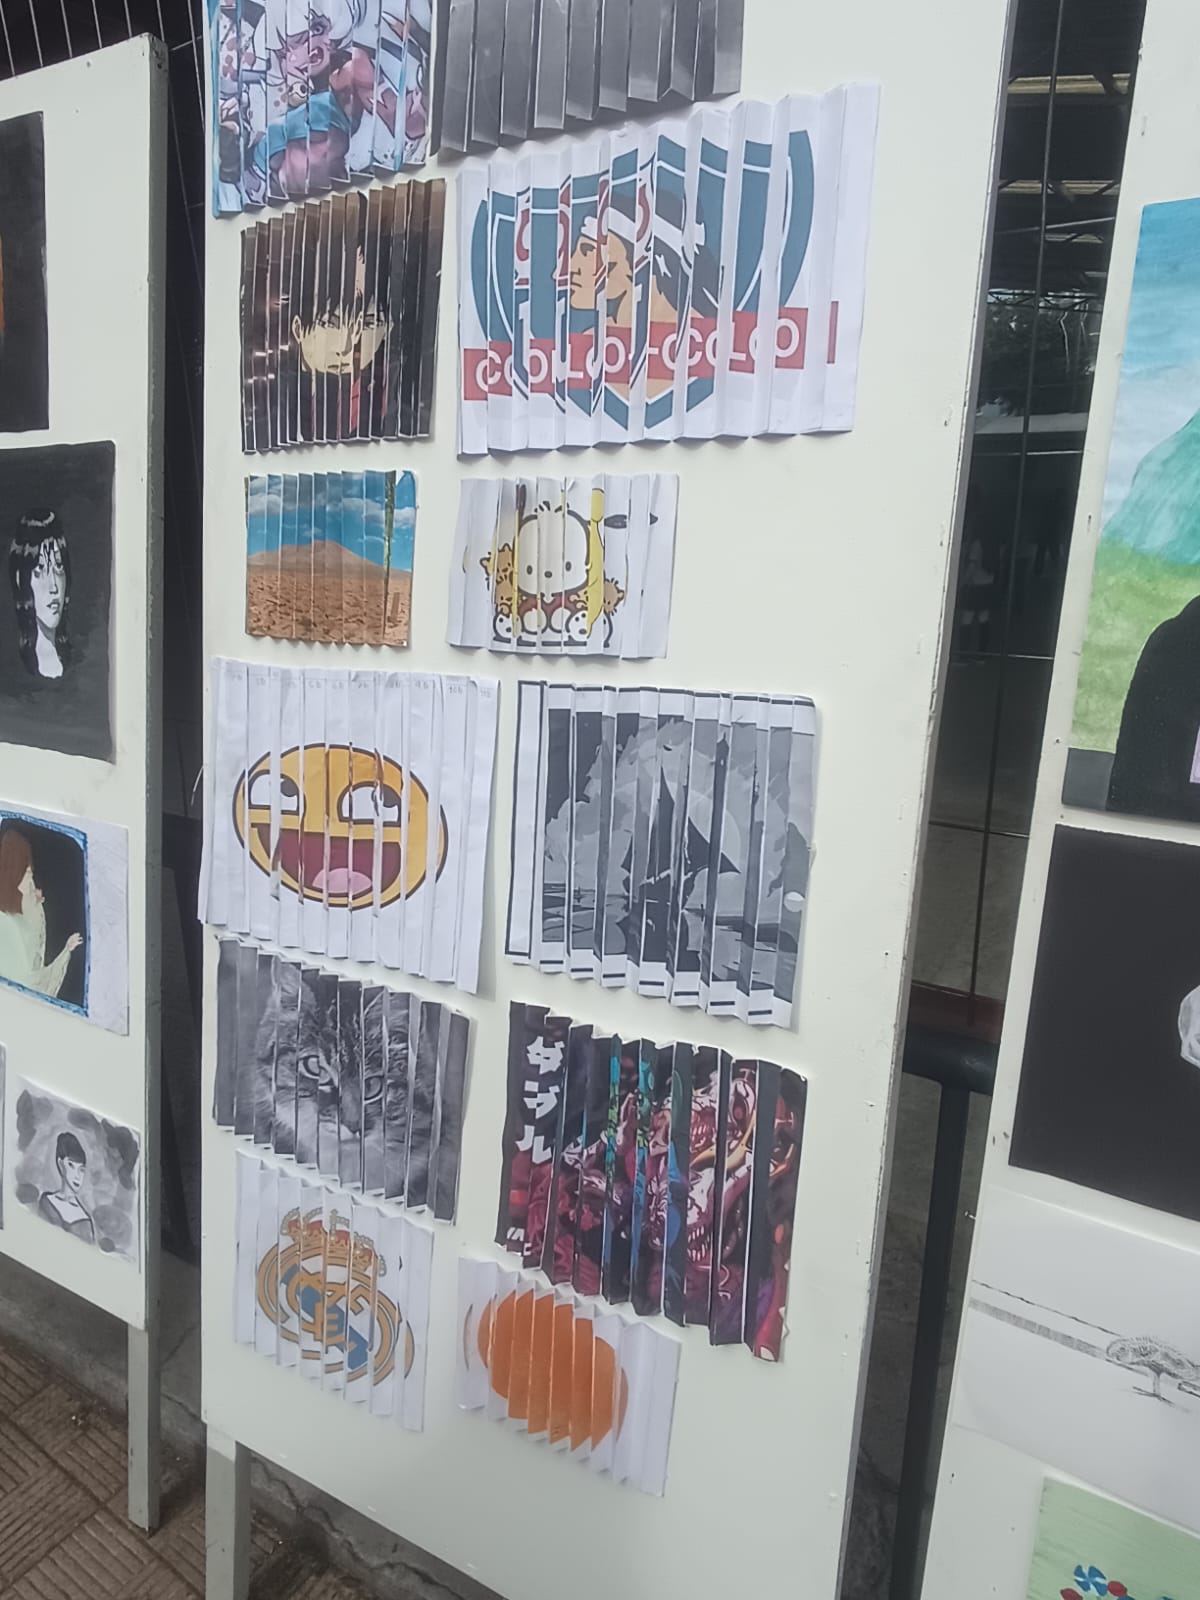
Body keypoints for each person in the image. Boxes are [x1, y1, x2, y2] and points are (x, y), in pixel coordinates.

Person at [0, 824, 82, 997]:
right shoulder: (7, 924)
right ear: (15, 875)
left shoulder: (18, 913)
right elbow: (30, 982)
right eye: (28, 874)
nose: (33, 886)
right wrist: (65, 953)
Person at [9, 508, 70, 679]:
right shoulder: (15, 670)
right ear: (22, 580)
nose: (54, 587)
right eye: (40, 570)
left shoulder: (78, 659)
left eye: (59, 566)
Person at [37, 1131, 96, 1243]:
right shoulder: (46, 1202)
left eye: (81, 1170)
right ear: (60, 1164)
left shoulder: (85, 1220)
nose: (77, 1176)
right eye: (71, 1165)